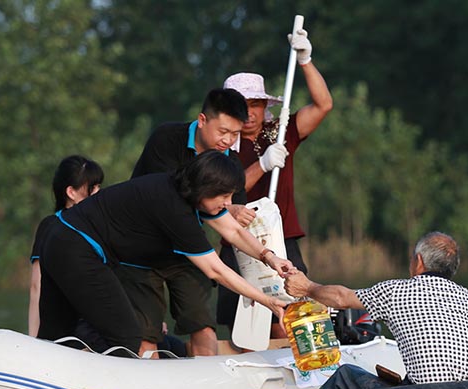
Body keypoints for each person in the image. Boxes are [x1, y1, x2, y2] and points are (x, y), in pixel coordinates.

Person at [36, 150, 294, 356]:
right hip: (77, 248)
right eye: (224, 195)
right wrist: (267, 300)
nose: (229, 203)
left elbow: (235, 232)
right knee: (126, 337)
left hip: (58, 237)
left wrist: (269, 257)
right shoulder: (174, 210)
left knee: (57, 333)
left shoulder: (183, 189)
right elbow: (215, 270)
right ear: (206, 188)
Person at [268, 231, 468, 389]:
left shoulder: (398, 291)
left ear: (419, 261)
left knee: (346, 375)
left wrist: (308, 287)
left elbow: (341, 298)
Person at [127, 88, 270, 356]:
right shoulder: (167, 139)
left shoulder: (231, 165)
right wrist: (227, 211)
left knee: (203, 326)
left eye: (235, 134)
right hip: (139, 250)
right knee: (147, 335)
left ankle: (209, 388)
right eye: (223, 131)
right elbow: (170, 202)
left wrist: (265, 253)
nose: (228, 140)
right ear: (202, 120)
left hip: (188, 250)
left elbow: (232, 225)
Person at [217, 25, 333, 339]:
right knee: (242, 320)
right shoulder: (221, 143)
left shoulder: (278, 132)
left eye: (255, 105)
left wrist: (306, 60)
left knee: (293, 310)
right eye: (242, 106)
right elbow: (227, 192)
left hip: (282, 236)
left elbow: (324, 105)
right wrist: (264, 164)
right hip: (238, 237)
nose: (250, 113)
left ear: (264, 106)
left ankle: (299, 366)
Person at [28, 155, 103, 338]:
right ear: (71, 193)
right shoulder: (52, 226)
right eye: (92, 188)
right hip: (72, 330)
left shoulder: (101, 224)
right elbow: (37, 286)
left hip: (101, 322)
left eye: (100, 186)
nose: (99, 193)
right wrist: (33, 341)